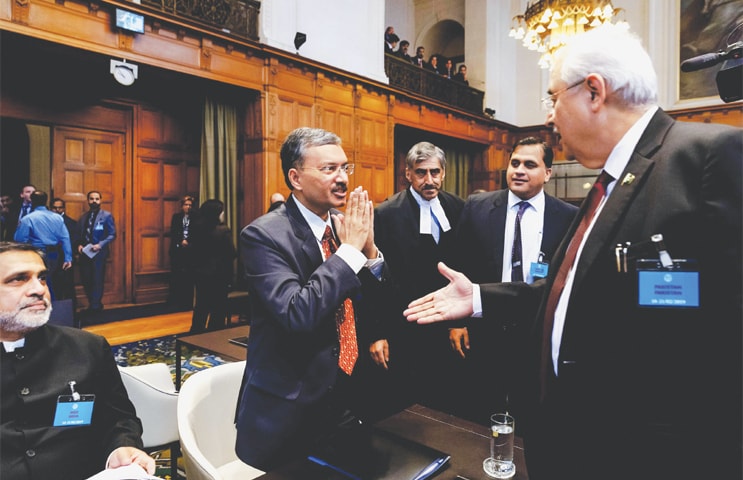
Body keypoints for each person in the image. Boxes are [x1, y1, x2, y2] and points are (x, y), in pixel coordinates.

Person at [404, 24, 742, 480]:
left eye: (553, 97)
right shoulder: (607, 184)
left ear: (595, 92)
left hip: (641, 453)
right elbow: (567, 292)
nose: (549, 116)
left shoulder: (703, 157)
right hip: (571, 443)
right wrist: (479, 298)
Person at [235, 127, 389, 470]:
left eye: (345, 168)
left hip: (347, 397)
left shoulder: (343, 225)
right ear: (295, 178)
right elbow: (297, 314)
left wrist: (371, 253)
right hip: (290, 407)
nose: (342, 179)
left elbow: (376, 304)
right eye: (328, 169)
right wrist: (350, 252)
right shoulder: (263, 236)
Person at [447, 137, 577, 424]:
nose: (519, 170)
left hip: (537, 328)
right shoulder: (477, 207)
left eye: (530, 165)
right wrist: (458, 323)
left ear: (548, 173)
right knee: (482, 407)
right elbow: (461, 263)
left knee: (532, 409)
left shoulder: (568, 216)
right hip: (485, 324)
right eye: (514, 163)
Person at [0, 242, 155, 479]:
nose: (39, 289)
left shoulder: (88, 348)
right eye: (18, 279)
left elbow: (118, 419)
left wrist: (122, 446)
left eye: (41, 278)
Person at [373, 141, 464, 415]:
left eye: (435, 172)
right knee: (406, 406)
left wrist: (460, 322)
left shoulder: (457, 207)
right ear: (408, 174)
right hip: (403, 325)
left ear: (444, 173)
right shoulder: (387, 213)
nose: (429, 180)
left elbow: (465, 266)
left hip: (446, 322)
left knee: (445, 402)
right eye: (421, 172)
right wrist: (378, 333)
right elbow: (375, 277)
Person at [14, 191, 73, 301]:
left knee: (41, 283)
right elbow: (65, 237)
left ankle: (47, 311)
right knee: (51, 282)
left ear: (32, 201)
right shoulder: (58, 218)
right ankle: (53, 310)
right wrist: (68, 258)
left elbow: (20, 240)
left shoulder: (28, 219)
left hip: (37, 255)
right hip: (54, 255)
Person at [188, 198, 235, 332]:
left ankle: (196, 332)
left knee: (201, 306)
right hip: (219, 274)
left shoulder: (196, 229)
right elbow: (231, 253)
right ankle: (214, 335)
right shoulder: (223, 230)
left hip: (200, 272)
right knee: (218, 307)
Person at [77, 191, 116, 313]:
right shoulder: (83, 217)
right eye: (92, 199)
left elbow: (112, 234)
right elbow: (81, 234)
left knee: (97, 279)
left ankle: (96, 306)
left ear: (100, 200)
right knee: (86, 279)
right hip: (85, 254)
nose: (94, 201)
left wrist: (100, 245)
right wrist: (79, 245)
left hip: (99, 254)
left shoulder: (107, 215)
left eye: (97, 199)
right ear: (88, 201)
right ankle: (92, 303)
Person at [168, 195, 195, 310]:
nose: (188, 207)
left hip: (190, 251)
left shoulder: (195, 218)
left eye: (190, 205)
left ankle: (187, 302)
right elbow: (173, 232)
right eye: (186, 205)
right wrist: (181, 240)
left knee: (188, 277)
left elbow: (196, 232)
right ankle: (175, 301)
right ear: (181, 206)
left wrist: (188, 241)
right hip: (177, 250)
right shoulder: (176, 217)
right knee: (177, 276)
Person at [50, 198, 79, 303]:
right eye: (55, 208)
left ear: (64, 208)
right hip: (52, 259)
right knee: (53, 287)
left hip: (66, 260)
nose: (57, 210)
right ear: (50, 208)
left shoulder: (71, 223)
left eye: (60, 207)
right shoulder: (47, 222)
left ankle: (71, 315)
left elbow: (74, 241)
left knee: (68, 288)